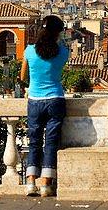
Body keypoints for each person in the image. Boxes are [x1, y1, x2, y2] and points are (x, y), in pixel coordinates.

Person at [19, 15, 69, 197]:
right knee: (51, 142)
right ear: (58, 33)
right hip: (55, 98)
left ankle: (30, 182)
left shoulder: (30, 51)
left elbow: (23, 76)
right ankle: (46, 185)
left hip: (34, 100)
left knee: (34, 142)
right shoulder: (63, 52)